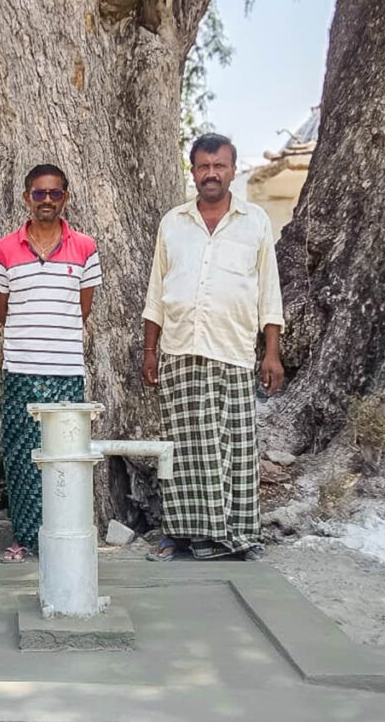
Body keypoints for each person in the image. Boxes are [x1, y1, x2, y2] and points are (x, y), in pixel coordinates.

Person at [142, 133, 284, 561]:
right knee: (181, 448)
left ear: (232, 170)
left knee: (234, 449)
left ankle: (237, 535)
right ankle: (180, 534)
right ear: (193, 170)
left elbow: (269, 295)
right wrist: (150, 350)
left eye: (219, 165)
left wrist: (272, 353)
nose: (211, 174)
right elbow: (155, 292)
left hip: (233, 351)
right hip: (180, 348)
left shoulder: (255, 221)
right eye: (203, 166)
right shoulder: (174, 222)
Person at [0, 164, 102, 563]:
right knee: (21, 457)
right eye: (40, 194)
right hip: (20, 369)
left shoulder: (85, 247)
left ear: (66, 198)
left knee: (64, 458)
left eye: (55, 193)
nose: (48, 201)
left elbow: (82, 308)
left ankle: (62, 535)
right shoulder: (4, 250)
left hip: (67, 370)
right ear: (27, 198)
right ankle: (24, 536)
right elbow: (2, 311)